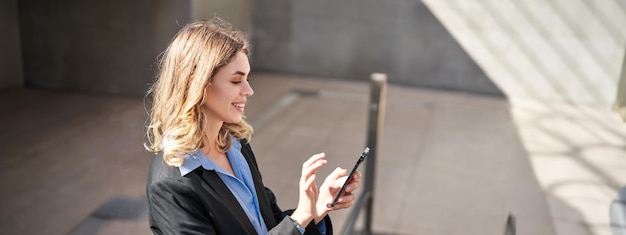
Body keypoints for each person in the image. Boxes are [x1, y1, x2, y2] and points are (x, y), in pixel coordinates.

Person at [144, 18, 360, 235]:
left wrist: (316, 208)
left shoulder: (236, 146)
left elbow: (268, 223)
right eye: (236, 81)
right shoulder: (170, 185)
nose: (248, 90)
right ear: (197, 84)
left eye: (247, 79)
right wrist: (300, 218)